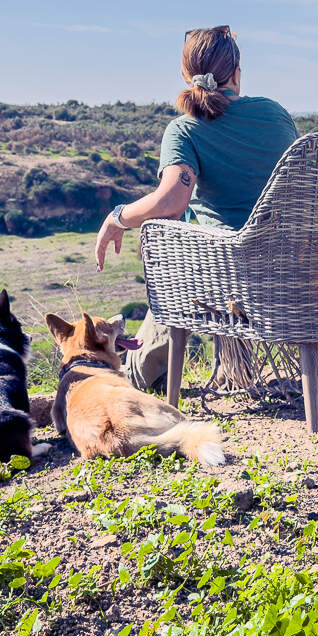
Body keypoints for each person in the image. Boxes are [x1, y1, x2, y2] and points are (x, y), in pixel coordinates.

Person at [93, 26, 297, 388]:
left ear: (186, 77)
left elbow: (171, 202)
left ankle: (139, 375)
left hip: (221, 278)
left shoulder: (185, 130)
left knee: (174, 246)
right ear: (236, 73)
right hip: (284, 269)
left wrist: (118, 217)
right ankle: (232, 368)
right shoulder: (276, 115)